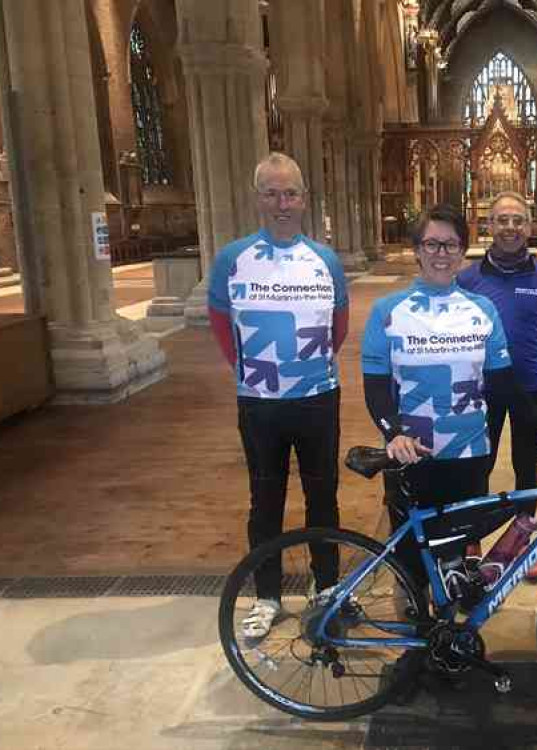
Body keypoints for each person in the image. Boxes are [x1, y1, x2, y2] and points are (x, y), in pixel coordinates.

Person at [361, 203, 537, 595]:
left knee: (452, 561)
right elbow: (376, 386)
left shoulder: (482, 310)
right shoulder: (387, 311)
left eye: (450, 245)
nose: (440, 254)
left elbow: (504, 384)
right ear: (416, 249)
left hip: (469, 456)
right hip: (413, 452)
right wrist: (393, 432)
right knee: (411, 564)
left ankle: (445, 643)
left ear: (463, 251)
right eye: (432, 244)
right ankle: (415, 647)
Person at [208, 152, 349, 639]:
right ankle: (266, 594)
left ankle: (326, 587)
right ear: (257, 200)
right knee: (264, 500)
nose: (281, 203)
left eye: (290, 193)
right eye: (271, 193)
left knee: (322, 495)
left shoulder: (324, 260)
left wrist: (305, 371)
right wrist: (252, 373)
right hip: (260, 402)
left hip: (316, 398)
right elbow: (222, 325)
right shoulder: (233, 259)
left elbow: (339, 326)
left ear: (305, 200)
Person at [457, 191, 537, 580]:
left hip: (531, 386)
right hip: (481, 388)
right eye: (502, 220)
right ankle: (471, 542)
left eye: (518, 220)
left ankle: (521, 544)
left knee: (526, 467)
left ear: (529, 226)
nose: (511, 228)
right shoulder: (468, 279)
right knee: (476, 467)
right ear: (489, 226)